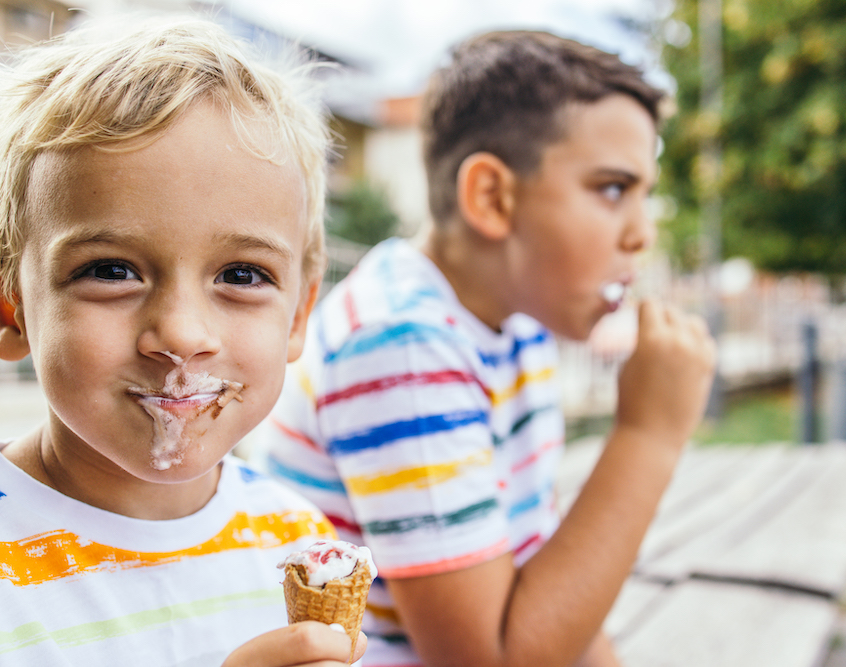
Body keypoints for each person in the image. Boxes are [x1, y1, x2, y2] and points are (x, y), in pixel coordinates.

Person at [260, 29, 717, 667]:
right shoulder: (402, 346)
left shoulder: (517, 323)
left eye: (645, 193)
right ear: (493, 198)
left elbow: (549, 583)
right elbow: (496, 658)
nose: (643, 232)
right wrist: (648, 436)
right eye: (614, 189)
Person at [0, 17, 366, 667]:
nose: (183, 335)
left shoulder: (300, 545)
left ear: (297, 317)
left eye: (241, 275)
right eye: (110, 270)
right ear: (13, 308)